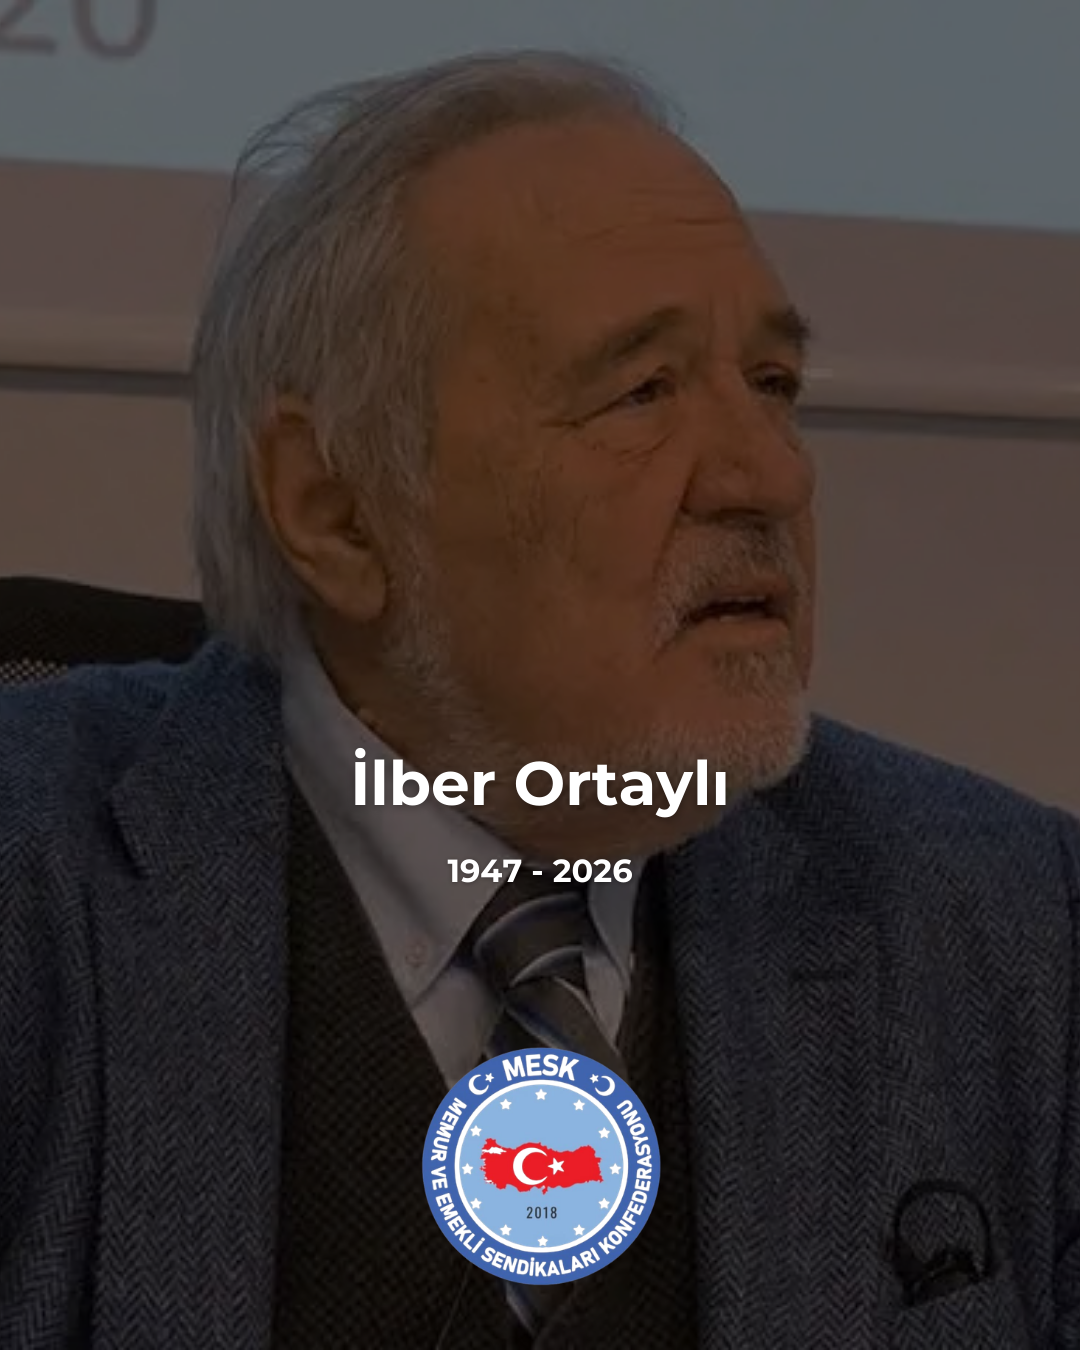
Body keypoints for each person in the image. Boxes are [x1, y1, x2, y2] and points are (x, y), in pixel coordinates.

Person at [0, 48, 1077, 1350]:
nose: (770, 477)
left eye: (773, 387)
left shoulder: (1013, 926)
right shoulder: (36, 887)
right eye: (642, 392)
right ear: (334, 509)